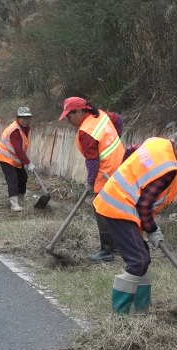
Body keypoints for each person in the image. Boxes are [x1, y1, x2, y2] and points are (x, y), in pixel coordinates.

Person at [92, 122, 177, 314]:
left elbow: (131, 150)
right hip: (119, 207)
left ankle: (142, 310)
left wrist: (127, 175)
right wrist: (153, 229)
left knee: (142, 258)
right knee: (138, 260)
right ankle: (119, 318)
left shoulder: (156, 143)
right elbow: (144, 205)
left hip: (121, 204)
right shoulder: (169, 168)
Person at [58, 97, 126, 261]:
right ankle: (118, 246)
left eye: (69, 116)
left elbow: (92, 160)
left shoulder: (86, 132)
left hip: (106, 171)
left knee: (100, 209)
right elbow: (119, 119)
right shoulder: (101, 115)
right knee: (115, 209)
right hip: (121, 165)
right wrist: (115, 141)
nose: (68, 120)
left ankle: (107, 251)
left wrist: (90, 182)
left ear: (80, 111)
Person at [0, 107, 36, 212]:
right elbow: (18, 149)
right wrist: (28, 163)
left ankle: (20, 201)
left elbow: (20, 149)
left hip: (15, 159)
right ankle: (14, 205)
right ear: (18, 118)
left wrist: (24, 161)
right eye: (23, 118)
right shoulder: (15, 130)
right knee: (13, 179)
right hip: (6, 158)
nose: (26, 121)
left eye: (28, 118)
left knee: (23, 177)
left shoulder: (25, 128)